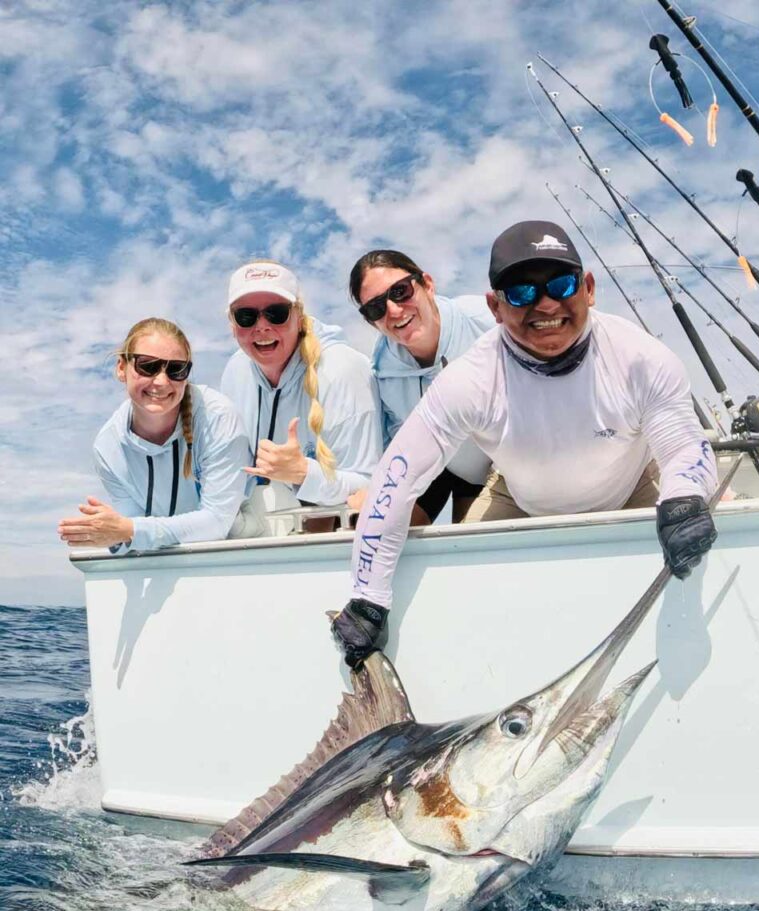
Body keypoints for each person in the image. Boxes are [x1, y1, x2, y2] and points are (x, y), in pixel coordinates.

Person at [331, 220, 719, 666]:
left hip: (630, 488)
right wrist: (368, 596)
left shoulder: (642, 357)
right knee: (463, 599)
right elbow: (394, 481)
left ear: (589, 289)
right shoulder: (470, 380)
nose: (545, 304)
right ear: (495, 308)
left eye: (561, 284)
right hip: (517, 498)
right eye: (521, 293)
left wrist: (684, 494)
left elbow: (684, 447)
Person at [58, 318, 254, 553]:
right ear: (121, 368)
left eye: (176, 369)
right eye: (148, 366)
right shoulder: (108, 447)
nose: (161, 381)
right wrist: (115, 536)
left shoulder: (218, 418)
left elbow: (217, 522)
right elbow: (132, 532)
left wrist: (128, 531)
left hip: (239, 552)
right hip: (168, 560)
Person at [220, 259, 382, 510]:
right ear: (232, 325)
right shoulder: (235, 370)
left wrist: (304, 473)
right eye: (246, 316)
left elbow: (368, 485)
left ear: (298, 315)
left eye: (276, 313)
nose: (262, 326)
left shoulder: (342, 370)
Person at [349, 250, 495, 523]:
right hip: (438, 463)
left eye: (400, 291)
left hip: (503, 460)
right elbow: (397, 443)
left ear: (427, 284)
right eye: (376, 308)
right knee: (370, 525)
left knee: (473, 537)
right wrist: (376, 491)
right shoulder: (381, 371)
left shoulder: (487, 320)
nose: (394, 311)